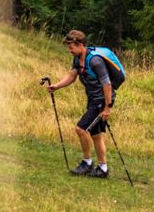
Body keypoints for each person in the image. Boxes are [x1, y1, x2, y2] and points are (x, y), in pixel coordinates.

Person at [44, 29, 115, 178]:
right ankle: (102, 168)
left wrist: (108, 108)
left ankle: (87, 163)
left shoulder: (95, 61)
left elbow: (107, 84)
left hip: (101, 101)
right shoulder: (78, 59)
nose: (69, 50)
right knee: (96, 135)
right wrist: (56, 86)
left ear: (80, 45)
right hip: (93, 99)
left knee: (81, 129)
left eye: (71, 47)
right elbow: (72, 76)